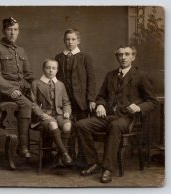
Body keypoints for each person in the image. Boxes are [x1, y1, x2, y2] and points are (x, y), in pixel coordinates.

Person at [75, 45, 158, 183]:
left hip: (127, 118)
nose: (123, 57)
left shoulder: (141, 76)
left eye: (127, 54)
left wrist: (138, 107)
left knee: (115, 125)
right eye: (120, 55)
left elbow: (152, 102)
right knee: (80, 125)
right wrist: (100, 104)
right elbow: (101, 96)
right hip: (108, 116)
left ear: (133, 57)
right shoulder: (110, 75)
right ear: (117, 57)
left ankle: (107, 168)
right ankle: (93, 162)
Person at [0, 17, 34, 158]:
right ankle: (23, 146)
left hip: (20, 90)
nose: (12, 33)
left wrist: (39, 86)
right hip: (4, 92)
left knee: (41, 100)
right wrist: (10, 90)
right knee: (26, 105)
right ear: (3, 31)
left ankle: (49, 153)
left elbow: (28, 74)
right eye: (9, 29)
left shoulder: (21, 51)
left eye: (15, 30)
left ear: (18, 31)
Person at [55, 28, 96, 167]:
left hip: (82, 101)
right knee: (68, 128)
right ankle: (68, 157)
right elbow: (56, 80)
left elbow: (91, 79)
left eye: (73, 39)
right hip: (66, 101)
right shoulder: (59, 58)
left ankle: (84, 158)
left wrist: (91, 99)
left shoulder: (85, 57)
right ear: (64, 40)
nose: (70, 42)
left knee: (83, 129)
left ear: (78, 40)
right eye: (67, 39)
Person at [30, 59, 72, 166]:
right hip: (43, 116)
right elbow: (32, 103)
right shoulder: (36, 83)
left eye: (53, 68)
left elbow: (66, 102)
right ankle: (65, 154)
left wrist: (66, 111)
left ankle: (59, 155)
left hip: (58, 114)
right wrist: (41, 114)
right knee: (52, 124)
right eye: (48, 68)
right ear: (43, 69)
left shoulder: (60, 84)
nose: (50, 71)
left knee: (67, 125)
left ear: (57, 70)